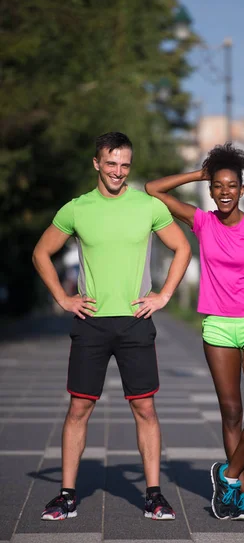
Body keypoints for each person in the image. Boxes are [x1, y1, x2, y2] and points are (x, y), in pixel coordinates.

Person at [33, 132, 191, 521]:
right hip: (91, 323)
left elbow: (183, 247)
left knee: (145, 409)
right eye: (111, 163)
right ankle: (67, 495)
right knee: (79, 409)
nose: (118, 171)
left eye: (125, 165)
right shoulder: (77, 209)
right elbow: (41, 251)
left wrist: (164, 295)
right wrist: (63, 299)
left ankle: (154, 495)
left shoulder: (147, 205)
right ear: (97, 164)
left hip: (136, 321)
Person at [145, 143, 244, 521]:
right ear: (211, 189)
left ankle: (228, 474)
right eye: (217, 185)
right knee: (232, 412)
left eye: (231, 185)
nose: (224, 192)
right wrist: (198, 173)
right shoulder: (202, 222)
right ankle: (241, 495)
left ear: (241, 189)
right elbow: (154, 189)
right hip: (217, 327)